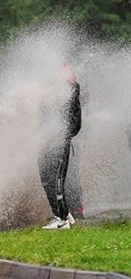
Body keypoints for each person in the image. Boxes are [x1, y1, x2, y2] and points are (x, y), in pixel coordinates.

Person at [38, 63, 82, 229]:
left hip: (60, 140)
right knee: (46, 177)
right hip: (50, 141)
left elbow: (73, 123)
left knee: (56, 179)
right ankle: (64, 214)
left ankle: (61, 218)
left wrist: (62, 136)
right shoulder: (53, 92)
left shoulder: (69, 91)